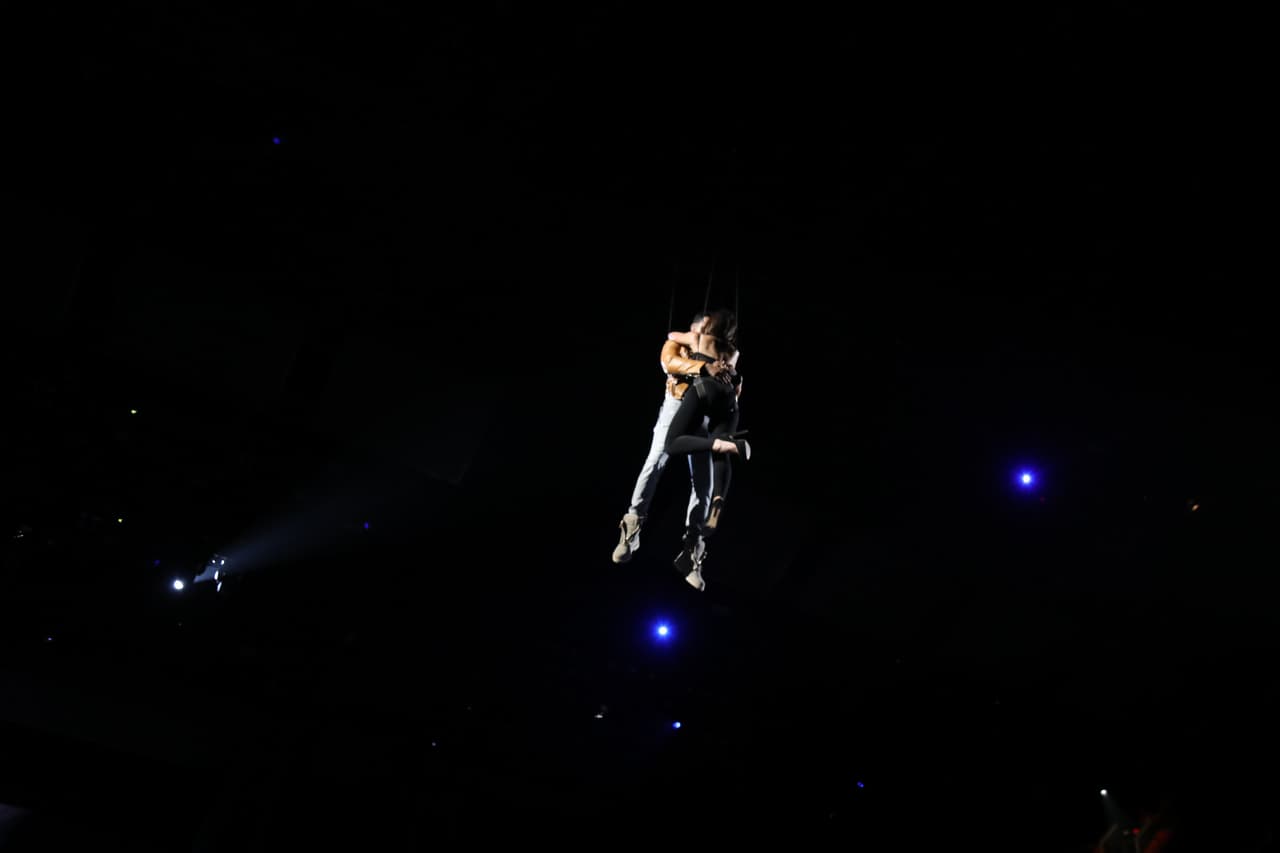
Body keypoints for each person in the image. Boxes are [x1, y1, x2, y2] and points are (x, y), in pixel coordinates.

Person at [611, 313, 728, 566]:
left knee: (704, 482)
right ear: (697, 326)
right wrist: (702, 367)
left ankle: (691, 547)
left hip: (702, 416)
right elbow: (668, 362)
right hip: (676, 406)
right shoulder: (681, 342)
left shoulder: (717, 350)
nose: (710, 330)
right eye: (706, 325)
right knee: (655, 462)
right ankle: (632, 526)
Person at [662, 308, 749, 590]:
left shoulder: (699, 338)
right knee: (722, 457)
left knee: (672, 443)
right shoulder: (733, 352)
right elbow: (736, 382)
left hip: (705, 388)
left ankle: (717, 443)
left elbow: (671, 335)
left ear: (710, 325)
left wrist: (694, 336)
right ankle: (719, 497)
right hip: (731, 398)